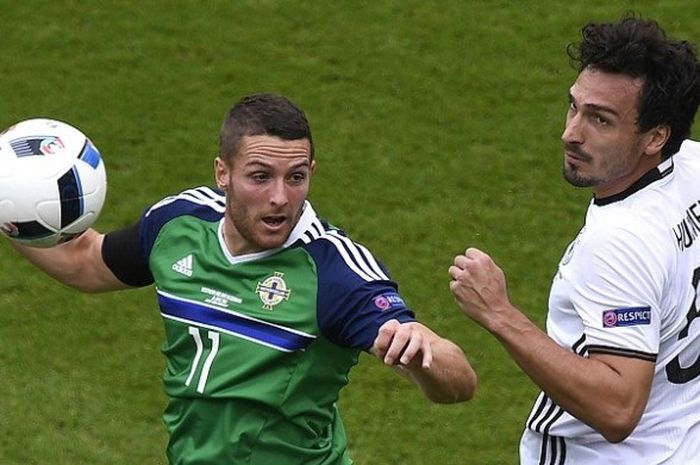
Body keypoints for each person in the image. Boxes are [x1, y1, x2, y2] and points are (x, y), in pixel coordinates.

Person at [4, 93, 476, 464]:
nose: (279, 198)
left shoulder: (333, 272)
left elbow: (461, 382)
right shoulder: (179, 224)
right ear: (222, 173)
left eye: (296, 177)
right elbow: (87, 261)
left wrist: (422, 353)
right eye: (260, 176)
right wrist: (11, 212)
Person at [449, 15, 700, 465]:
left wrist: (500, 314)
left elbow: (618, 407)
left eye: (600, 120)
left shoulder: (618, 243)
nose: (571, 133)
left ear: (655, 137)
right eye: (574, 107)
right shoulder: (693, 168)